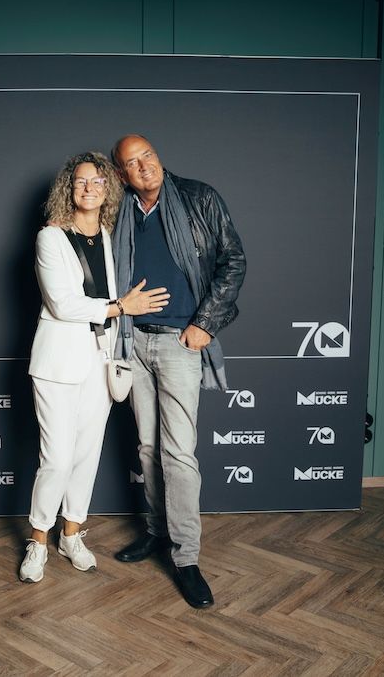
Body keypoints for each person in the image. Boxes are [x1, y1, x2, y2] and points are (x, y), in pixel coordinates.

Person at [20, 151, 171, 583]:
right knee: (57, 457)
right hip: (57, 362)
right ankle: (38, 540)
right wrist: (121, 306)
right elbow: (62, 304)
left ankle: (71, 534)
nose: (89, 188)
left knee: (87, 455)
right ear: (69, 189)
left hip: (101, 359)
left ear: (108, 189)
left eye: (98, 181)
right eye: (81, 181)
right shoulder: (51, 237)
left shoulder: (109, 235)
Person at [110, 134, 246, 608]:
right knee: (148, 447)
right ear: (122, 174)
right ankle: (157, 531)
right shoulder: (119, 210)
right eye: (132, 163)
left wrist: (204, 324)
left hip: (179, 341)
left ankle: (186, 557)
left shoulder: (198, 197)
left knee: (178, 453)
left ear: (158, 156)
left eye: (147, 155)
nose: (144, 166)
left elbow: (233, 260)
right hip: (133, 340)